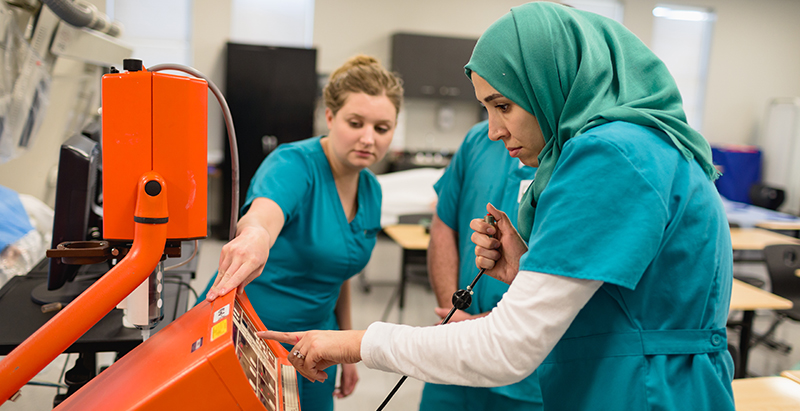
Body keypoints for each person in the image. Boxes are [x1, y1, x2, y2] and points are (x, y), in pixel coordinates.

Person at [259, 3, 735, 410]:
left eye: (503, 105)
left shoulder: (610, 154)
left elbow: (509, 347)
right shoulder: (640, 146)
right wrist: (528, 269)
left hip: (646, 390)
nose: (492, 131)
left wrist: (356, 343)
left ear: (550, 85)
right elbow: (631, 299)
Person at [200, 54, 403, 411]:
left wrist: (344, 344)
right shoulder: (294, 164)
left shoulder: (371, 190)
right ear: (329, 117)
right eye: (355, 123)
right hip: (251, 338)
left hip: (313, 347)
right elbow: (263, 217)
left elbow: (337, 269)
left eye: (382, 128)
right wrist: (254, 237)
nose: (368, 138)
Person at [422, 120, 542, 411]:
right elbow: (444, 224)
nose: (495, 129)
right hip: (452, 357)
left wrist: (489, 325)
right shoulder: (478, 140)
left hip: (527, 375)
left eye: (502, 106)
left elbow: (570, 282)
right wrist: (453, 315)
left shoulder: (575, 155)